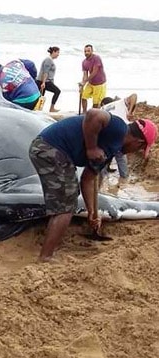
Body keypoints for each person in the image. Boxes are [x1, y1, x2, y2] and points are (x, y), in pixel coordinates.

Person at [29, 109, 156, 262]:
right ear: (138, 142)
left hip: (52, 151)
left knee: (68, 197)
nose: (134, 152)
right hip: (49, 147)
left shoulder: (110, 150)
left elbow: (88, 180)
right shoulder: (119, 128)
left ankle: (52, 236)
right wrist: (91, 148)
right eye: (140, 149)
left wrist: (92, 212)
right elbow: (94, 114)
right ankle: (45, 257)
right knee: (66, 205)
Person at [100, 93, 138, 183]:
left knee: (105, 155)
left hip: (104, 133)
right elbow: (134, 96)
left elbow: (134, 96)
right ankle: (124, 180)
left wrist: (129, 111)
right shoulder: (121, 103)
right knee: (120, 156)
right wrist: (130, 111)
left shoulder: (104, 108)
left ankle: (102, 178)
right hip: (115, 132)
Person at [80, 44, 106, 110]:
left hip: (99, 84)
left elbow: (95, 72)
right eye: (85, 51)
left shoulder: (96, 58)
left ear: (92, 51)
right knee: (83, 97)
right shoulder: (84, 62)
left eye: (88, 51)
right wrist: (82, 84)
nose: (86, 53)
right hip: (91, 83)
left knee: (95, 103)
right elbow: (85, 75)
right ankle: (84, 113)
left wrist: (85, 81)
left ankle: (94, 115)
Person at [36, 46, 61, 113]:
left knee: (41, 96)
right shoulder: (48, 60)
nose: (58, 54)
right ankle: (51, 108)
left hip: (45, 81)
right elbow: (45, 72)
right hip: (44, 81)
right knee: (57, 91)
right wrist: (43, 82)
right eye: (58, 52)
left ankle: (38, 109)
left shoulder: (50, 60)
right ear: (53, 52)